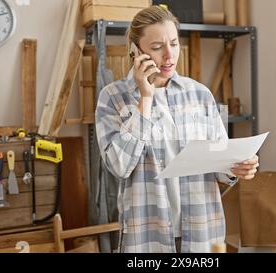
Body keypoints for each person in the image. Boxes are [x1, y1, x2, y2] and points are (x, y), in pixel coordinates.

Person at [96, 5, 259, 253]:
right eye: (157, 47)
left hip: (203, 232)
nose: (169, 55)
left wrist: (237, 167)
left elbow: (220, 165)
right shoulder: (113, 98)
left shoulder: (200, 94)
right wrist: (145, 99)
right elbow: (119, 166)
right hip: (147, 235)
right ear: (135, 51)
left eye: (173, 43)